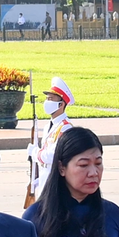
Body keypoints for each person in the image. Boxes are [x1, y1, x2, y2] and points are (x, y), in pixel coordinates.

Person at [28, 77, 75, 205]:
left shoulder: (65, 127)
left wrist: (35, 153)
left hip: (54, 179)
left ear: (61, 104)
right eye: (46, 99)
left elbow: (53, 155)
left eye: (50, 99)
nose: (46, 102)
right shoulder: (48, 126)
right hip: (44, 176)